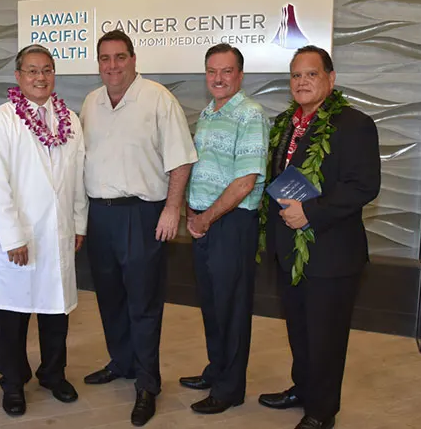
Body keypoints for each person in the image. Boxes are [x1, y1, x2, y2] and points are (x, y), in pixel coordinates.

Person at [257, 46, 381, 429]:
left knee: (326, 336)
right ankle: (303, 388)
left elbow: (364, 186)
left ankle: (322, 411)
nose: (302, 82)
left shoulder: (355, 124)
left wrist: (309, 213)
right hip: (290, 251)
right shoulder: (284, 123)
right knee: (299, 327)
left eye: (311, 74)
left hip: (332, 254)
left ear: (331, 78)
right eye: (296, 75)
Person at [80, 30, 197, 426]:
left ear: (133, 58)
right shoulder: (90, 103)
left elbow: (181, 160)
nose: (112, 66)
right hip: (100, 215)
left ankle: (147, 383)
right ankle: (123, 362)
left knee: (143, 303)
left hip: (143, 214)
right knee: (110, 297)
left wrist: (172, 208)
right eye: (105, 58)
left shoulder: (158, 99)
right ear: (98, 63)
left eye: (119, 57)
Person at [0, 44, 87, 417]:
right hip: (22, 234)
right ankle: (12, 382)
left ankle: (53, 374)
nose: (40, 77)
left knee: (57, 310)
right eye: (32, 70)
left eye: (47, 70)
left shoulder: (69, 119)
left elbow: (77, 177)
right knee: (15, 313)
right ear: (18, 76)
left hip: (59, 231)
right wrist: (12, 235)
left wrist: (79, 223)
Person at [180, 43, 268, 414]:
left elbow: (245, 182)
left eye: (226, 71)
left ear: (240, 75)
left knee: (231, 308)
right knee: (213, 305)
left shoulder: (250, 114)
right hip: (206, 223)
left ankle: (230, 388)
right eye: (212, 71)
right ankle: (217, 371)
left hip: (230, 224)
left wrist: (204, 218)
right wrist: (190, 209)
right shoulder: (209, 111)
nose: (218, 78)